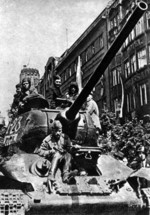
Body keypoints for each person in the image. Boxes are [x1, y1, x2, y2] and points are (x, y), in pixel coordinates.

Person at [38, 120, 78, 186]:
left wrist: (73, 148)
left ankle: (66, 176)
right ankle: (51, 176)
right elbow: (40, 151)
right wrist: (50, 152)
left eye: (59, 131)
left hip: (63, 160)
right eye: (56, 131)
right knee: (57, 154)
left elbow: (69, 148)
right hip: (52, 159)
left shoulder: (65, 138)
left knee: (68, 155)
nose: (58, 133)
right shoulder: (48, 140)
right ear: (52, 130)